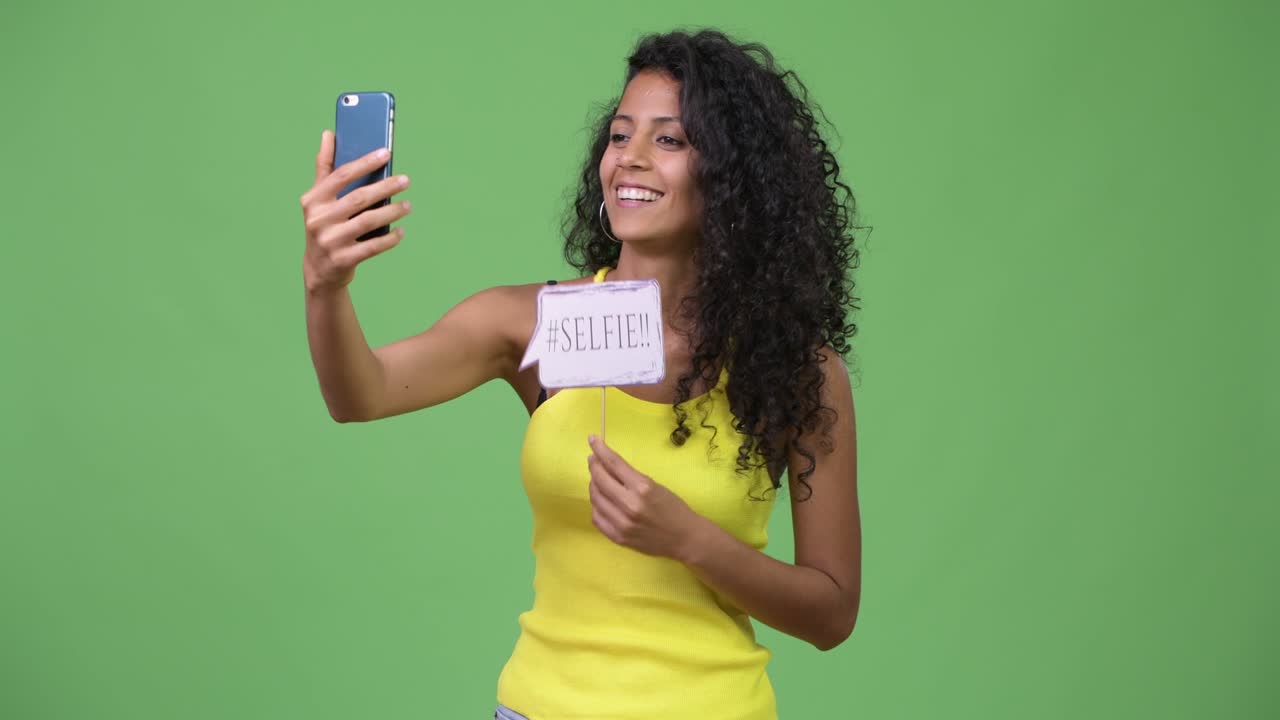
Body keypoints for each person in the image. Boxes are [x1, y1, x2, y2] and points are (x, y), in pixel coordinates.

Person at [300, 29, 862, 720]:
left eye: (669, 140)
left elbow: (831, 612)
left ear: (733, 177)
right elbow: (361, 393)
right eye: (620, 134)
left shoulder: (794, 369)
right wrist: (325, 286)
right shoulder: (527, 323)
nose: (629, 158)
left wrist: (689, 539)